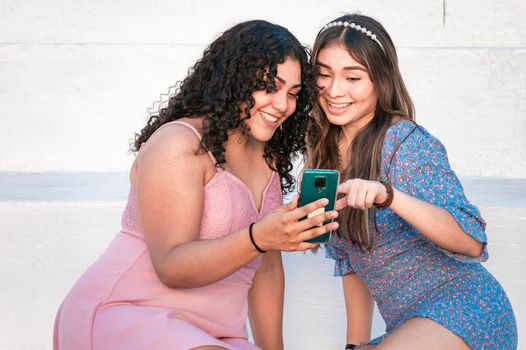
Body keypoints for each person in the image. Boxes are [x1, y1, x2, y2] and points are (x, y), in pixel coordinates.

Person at [53, 20, 339, 350]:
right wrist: (258, 237)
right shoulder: (179, 143)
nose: (282, 105)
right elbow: (171, 266)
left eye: (293, 94)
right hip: (130, 313)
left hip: (216, 334)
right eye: (269, 87)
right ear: (235, 79)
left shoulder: (267, 158)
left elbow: (267, 272)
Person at [306, 13, 517, 349]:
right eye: (324, 74)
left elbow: (472, 241)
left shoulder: (405, 143)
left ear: (381, 80)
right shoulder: (324, 156)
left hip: (465, 310)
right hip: (411, 327)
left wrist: (388, 196)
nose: (334, 90)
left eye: (353, 77)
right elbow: (350, 263)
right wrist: (352, 345)